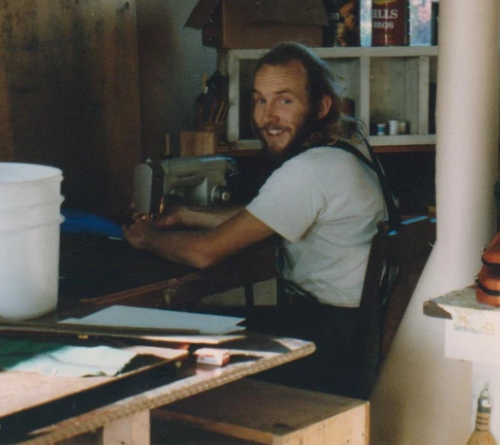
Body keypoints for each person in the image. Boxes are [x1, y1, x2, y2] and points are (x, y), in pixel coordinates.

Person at [123, 41, 388, 395]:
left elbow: (204, 253)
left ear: (321, 106)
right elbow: (267, 214)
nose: (267, 117)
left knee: (179, 338)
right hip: (353, 333)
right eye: (260, 100)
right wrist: (185, 214)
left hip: (329, 347)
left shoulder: (309, 169)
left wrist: (146, 238)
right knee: (203, 329)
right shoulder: (348, 146)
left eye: (284, 100)